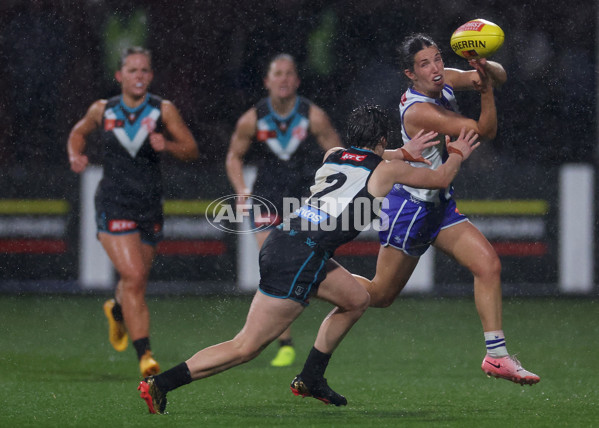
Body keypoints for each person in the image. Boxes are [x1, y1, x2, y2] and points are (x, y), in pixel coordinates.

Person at [138, 104, 480, 414]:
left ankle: (311, 377)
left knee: (357, 298)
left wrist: (401, 151)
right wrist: (457, 153)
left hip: (286, 243)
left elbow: (364, 157)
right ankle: (161, 384)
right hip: (299, 257)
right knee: (246, 346)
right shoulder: (387, 171)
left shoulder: (333, 154)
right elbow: (440, 178)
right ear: (381, 139)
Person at [331, 34, 536, 385]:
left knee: (488, 265)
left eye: (438, 58)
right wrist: (486, 91)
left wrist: (486, 67)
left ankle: (497, 357)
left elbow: (499, 76)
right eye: (425, 64)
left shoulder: (443, 81)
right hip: (411, 209)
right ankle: (309, 274)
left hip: (438, 206)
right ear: (411, 74)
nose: (436, 68)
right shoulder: (420, 111)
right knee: (380, 295)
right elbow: (484, 130)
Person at [67, 47, 199, 377]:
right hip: (113, 203)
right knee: (135, 278)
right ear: (119, 76)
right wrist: (75, 155)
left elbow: (191, 150)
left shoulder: (162, 109)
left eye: (144, 71)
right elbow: (77, 133)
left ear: (150, 76)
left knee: (134, 281)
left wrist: (167, 145)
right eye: (132, 70)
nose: (138, 76)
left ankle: (118, 311)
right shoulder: (103, 109)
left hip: (148, 206)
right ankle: (146, 357)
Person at [225, 53, 342, 368]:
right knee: (276, 266)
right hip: (266, 199)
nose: (284, 79)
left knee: (304, 266)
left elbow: (337, 154)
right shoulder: (253, 118)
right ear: (267, 81)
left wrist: (333, 189)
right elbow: (234, 156)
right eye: (278, 73)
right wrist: (241, 190)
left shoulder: (313, 116)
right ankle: (283, 341)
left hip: (303, 202)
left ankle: (295, 314)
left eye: (289, 73)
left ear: (297, 80)